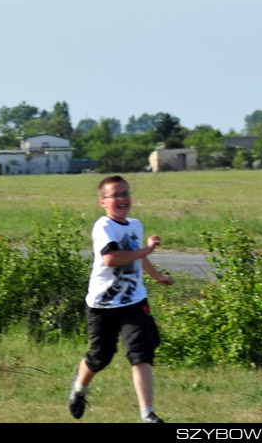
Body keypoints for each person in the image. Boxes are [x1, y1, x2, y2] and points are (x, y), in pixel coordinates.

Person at [68, 175, 174, 422]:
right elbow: (111, 258)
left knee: (141, 353)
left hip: (134, 302)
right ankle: (79, 390)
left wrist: (157, 276)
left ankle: (147, 414)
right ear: (102, 201)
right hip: (103, 305)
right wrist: (146, 249)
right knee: (100, 356)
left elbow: (137, 256)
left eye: (125, 193)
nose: (122, 199)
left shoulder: (135, 225)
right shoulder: (104, 226)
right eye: (115, 195)